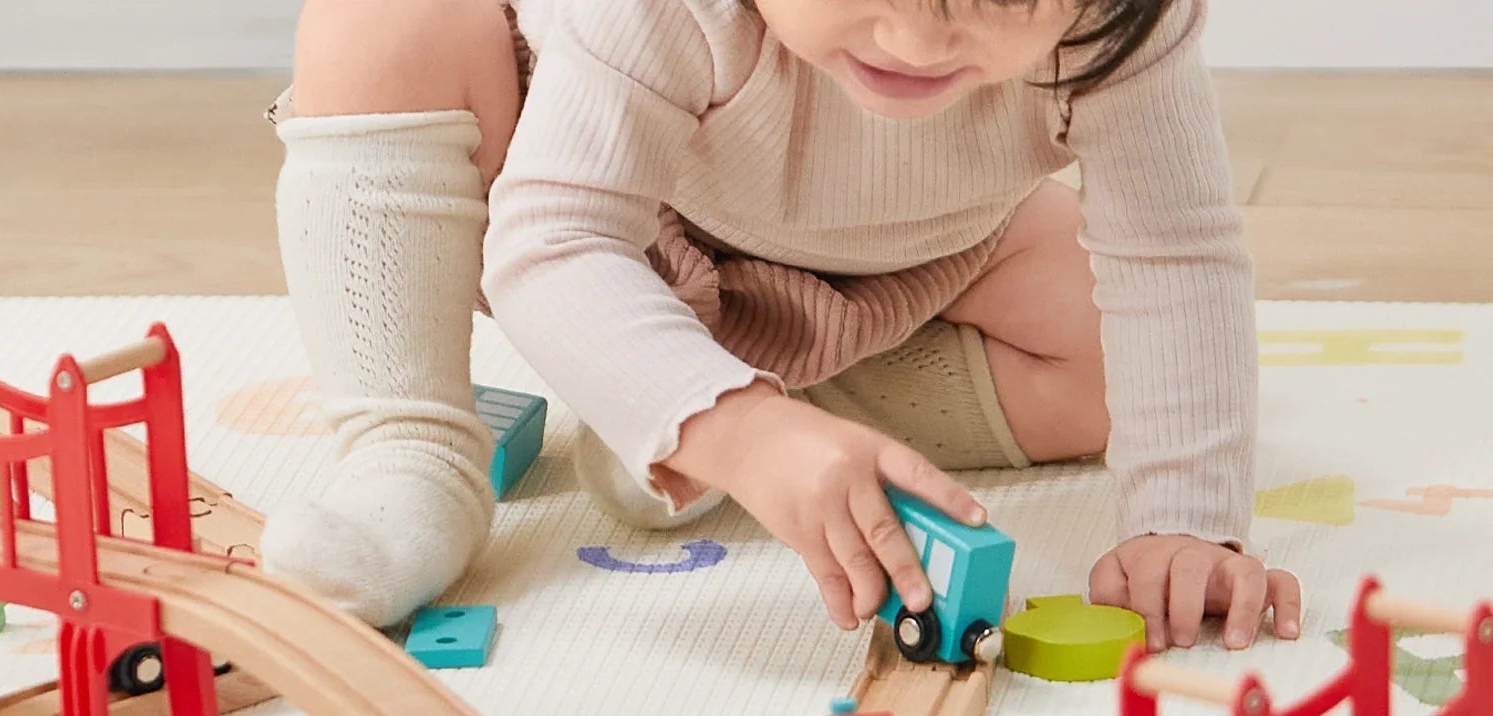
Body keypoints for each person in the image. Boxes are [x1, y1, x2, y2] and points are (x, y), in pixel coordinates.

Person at [264, 0, 1302, 654]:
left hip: (913, 262)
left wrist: (1184, 521)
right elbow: (554, 240)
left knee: (1122, 364)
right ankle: (412, 448)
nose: (916, 40)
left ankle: (685, 405)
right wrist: (749, 435)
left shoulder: (1125, 21)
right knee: (377, 22)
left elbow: (1174, 253)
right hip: (617, 219)